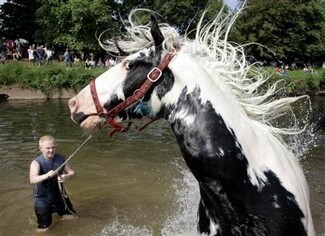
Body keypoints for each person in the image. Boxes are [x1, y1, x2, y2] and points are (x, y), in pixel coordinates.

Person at [29, 135, 76, 231]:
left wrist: (66, 177)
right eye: (48, 148)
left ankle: (60, 218)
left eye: (53, 147)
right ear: (41, 148)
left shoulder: (61, 159)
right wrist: (47, 175)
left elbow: (72, 173)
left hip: (60, 197)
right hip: (42, 200)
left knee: (74, 218)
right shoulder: (36, 163)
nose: (51, 150)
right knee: (44, 229)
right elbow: (32, 179)